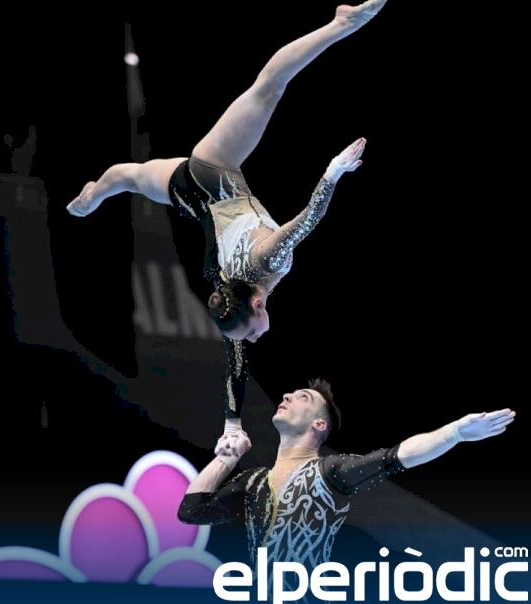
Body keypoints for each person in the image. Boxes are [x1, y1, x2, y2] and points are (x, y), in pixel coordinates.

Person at [65, 1, 387, 434]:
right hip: (189, 198)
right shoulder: (229, 299)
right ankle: (92, 196)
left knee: (268, 88)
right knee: (129, 177)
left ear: (257, 304)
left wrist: (332, 172)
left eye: (250, 334)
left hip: (213, 172)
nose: (254, 339)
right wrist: (232, 424)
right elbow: (235, 363)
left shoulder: (265, 263)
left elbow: (306, 222)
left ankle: (340, 23)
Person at [179, 378, 515, 604]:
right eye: (291, 393)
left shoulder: (330, 472)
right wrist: (227, 459)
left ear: (319, 425)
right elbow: (192, 510)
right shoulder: (252, 482)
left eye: (303, 397)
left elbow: (397, 456)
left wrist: (453, 433)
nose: (288, 395)